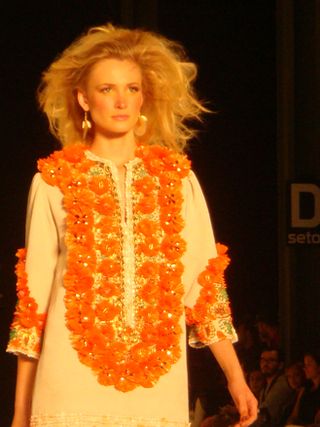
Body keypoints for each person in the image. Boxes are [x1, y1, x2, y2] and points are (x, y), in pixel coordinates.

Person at [7, 23, 257, 427]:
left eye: (132, 89)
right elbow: (33, 301)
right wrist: (20, 413)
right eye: (107, 89)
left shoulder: (177, 180)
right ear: (84, 99)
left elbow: (203, 285)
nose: (122, 101)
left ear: (144, 97)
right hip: (68, 382)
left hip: (158, 387)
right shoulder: (54, 180)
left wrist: (236, 377)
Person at [253, 347, 294, 427]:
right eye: (263, 360)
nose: (265, 364)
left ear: (280, 365)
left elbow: (264, 413)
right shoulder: (265, 385)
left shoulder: (282, 384)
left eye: (271, 360)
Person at [285, 350, 320, 426]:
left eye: (309, 364)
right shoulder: (305, 389)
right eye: (305, 365)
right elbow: (294, 415)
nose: (305, 368)